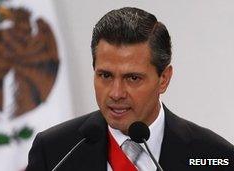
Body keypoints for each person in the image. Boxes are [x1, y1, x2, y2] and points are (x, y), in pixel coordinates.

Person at [26, 7, 234, 171]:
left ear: (164, 79)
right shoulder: (54, 151)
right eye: (105, 75)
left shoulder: (216, 156)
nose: (116, 93)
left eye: (133, 78)